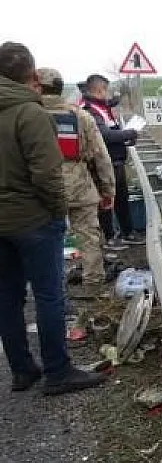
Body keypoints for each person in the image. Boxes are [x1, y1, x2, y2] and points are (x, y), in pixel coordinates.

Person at [0, 42, 106, 394]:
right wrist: (57, 210)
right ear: (30, 76)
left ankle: (21, 370)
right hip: (34, 218)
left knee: (8, 297)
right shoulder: (31, 114)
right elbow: (46, 174)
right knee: (49, 296)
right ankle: (58, 372)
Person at [37, 68, 115, 294]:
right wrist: (107, 189)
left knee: (44, 238)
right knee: (89, 236)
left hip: (42, 187)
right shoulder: (81, 116)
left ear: (37, 87)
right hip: (80, 185)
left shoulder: (27, 115)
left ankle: (50, 287)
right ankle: (93, 285)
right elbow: (100, 157)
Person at [80, 73, 140, 248]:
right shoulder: (90, 110)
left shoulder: (101, 107)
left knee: (122, 198)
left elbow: (112, 130)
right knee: (106, 201)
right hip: (103, 164)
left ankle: (127, 232)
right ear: (99, 90)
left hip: (116, 160)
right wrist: (130, 133)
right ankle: (109, 237)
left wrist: (125, 139)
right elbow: (105, 135)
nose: (108, 94)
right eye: (106, 90)